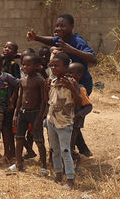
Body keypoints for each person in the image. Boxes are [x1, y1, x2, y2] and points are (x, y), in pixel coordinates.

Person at [27, 14, 96, 157]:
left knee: (72, 117)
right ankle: (78, 149)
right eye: (57, 25)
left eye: (63, 25)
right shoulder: (60, 40)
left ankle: (74, 150)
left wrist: (73, 50)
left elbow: (93, 58)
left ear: (71, 27)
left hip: (80, 84)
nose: (59, 28)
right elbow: (51, 40)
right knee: (63, 116)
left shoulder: (76, 41)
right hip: (65, 84)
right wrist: (36, 38)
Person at [45, 52, 81, 188]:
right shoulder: (53, 82)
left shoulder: (72, 82)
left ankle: (70, 179)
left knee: (65, 151)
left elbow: (78, 101)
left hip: (64, 123)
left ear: (66, 68)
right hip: (52, 120)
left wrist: (71, 88)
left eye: (57, 66)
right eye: (52, 66)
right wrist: (45, 87)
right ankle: (58, 174)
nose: (53, 69)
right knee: (55, 149)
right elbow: (48, 101)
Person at [13, 53, 48, 173]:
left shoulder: (40, 80)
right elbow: (19, 97)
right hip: (23, 112)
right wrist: (16, 114)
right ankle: (18, 163)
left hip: (35, 113)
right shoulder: (22, 80)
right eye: (23, 65)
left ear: (36, 66)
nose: (24, 67)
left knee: (39, 140)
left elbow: (44, 100)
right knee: (19, 138)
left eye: (28, 65)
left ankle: (43, 165)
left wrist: (40, 117)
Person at [68, 62, 93, 163]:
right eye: (67, 72)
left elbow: (88, 106)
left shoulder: (80, 89)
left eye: (70, 73)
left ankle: (76, 161)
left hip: (75, 123)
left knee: (70, 144)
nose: (68, 75)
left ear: (79, 75)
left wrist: (78, 115)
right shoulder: (66, 86)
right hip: (66, 120)